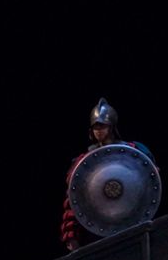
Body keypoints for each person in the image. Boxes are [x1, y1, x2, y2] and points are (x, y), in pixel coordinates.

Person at [61, 98, 156, 251]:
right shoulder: (82, 162)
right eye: (95, 127)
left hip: (132, 223)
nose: (98, 130)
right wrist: (71, 236)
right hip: (97, 229)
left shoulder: (133, 151)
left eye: (102, 126)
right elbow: (72, 201)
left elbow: (149, 184)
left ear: (111, 127)